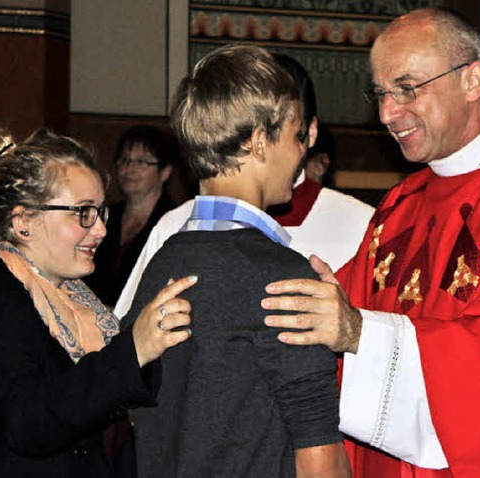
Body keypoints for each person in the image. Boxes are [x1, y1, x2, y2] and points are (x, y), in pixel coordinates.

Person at [261, 7, 480, 478]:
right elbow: (348, 308)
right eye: (380, 94)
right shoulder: (399, 206)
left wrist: (357, 332)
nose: (388, 114)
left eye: (407, 89)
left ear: (473, 81)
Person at [121, 44, 350, 478]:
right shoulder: (281, 277)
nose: (301, 153)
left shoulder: (160, 262)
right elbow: (320, 458)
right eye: (296, 135)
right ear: (259, 142)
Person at [0, 128, 195, 477]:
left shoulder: (76, 301)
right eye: (82, 213)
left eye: (100, 212)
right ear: (23, 223)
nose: (100, 231)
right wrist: (132, 350)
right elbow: (29, 423)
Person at [114, 54, 374, 318]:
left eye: (300, 135)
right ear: (258, 140)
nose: (296, 148)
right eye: (292, 135)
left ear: (313, 131)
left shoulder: (363, 224)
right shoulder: (175, 224)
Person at [85, 125, 178, 307]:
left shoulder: (173, 222)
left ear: (165, 172)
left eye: (142, 162)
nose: (129, 169)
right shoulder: (105, 215)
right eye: (124, 160)